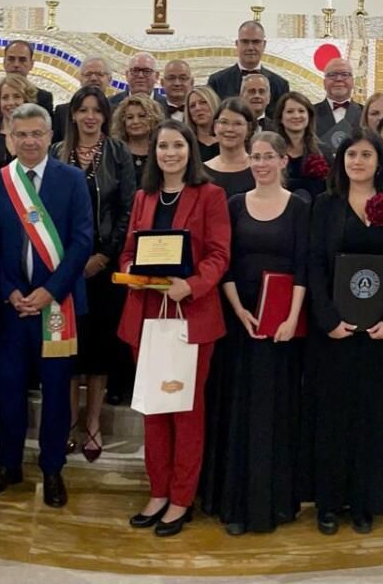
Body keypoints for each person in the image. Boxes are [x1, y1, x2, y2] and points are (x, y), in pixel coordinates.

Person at [0, 103, 93, 507]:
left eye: (36, 134)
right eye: (21, 134)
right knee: (9, 390)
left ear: (49, 136)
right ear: (9, 136)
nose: (28, 141)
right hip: (12, 308)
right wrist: (10, 291)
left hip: (57, 307)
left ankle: (53, 467)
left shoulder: (72, 179)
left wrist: (50, 292)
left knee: (58, 392)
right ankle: (9, 465)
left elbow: (83, 241)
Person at [119, 121, 230, 538]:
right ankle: (158, 492)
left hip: (190, 315)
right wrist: (129, 269)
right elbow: (129, 250)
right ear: (154, 152)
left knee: (185, 411)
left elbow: (219, 254)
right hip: (146, 314)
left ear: (190, 151)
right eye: (163, 145)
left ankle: (182, 497)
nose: (170, 152)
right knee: (153, 409)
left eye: (178, 145)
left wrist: (193, 285)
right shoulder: (143, 196)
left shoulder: (211, 195)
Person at [306, 127, 383, 535]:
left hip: (380, 334)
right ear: (341, 161)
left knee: (372, 418)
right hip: (335, 333)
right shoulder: (325, 205)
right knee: (334, 417)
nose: (358, 162)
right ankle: (330, 502)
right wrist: (329, 319)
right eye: (351, 155)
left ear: (379, 162)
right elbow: (314, 264)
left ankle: (366, 500)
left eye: (367, 155)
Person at [205, 131, 309, 535]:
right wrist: (240, 311)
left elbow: (303, 267)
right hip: (240, 322)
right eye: (256, 157)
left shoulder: (299, 207)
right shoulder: (234, 205)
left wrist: (290, 319)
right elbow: (225, 263)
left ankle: (275, 504)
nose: (261, 163)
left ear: (284, 161)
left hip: (282, 328)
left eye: (269, 156)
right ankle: (237, 503)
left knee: (275, 413)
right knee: (240, 410)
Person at [55, 86, 136, 462]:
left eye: (97, 111)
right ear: (72, 114)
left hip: (104, 268)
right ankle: (69, 420)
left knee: (99, 350)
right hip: (64, 267)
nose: (90, 117)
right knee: (70, 347)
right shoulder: (58, 152)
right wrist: (69, 261)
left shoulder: (118, 153)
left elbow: (127, 209)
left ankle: (93, 424)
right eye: (83, 110)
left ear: (106, 116)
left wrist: (104, 255)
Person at [207, 20, 290, 102]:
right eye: (245, 42)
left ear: (264, 45)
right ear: (237, 44)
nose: (250, 47)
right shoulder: (217, 81)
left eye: (256, 42)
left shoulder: (280, 85)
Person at [274, 91, 327, 199]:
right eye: (290, 111)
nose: (296, 116)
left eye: (301, 111)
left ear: (309, 116)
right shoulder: (272, 151)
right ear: (281, 118)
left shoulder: (323, 151)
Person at [204, 99, 257, 199]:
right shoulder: (201, 172)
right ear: (215, 126)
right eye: (224, 122)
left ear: (249, 128)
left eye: (237, 123)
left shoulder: (259, 168)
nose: (230, 129)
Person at [52, 57, 113, 142]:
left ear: (109, 79)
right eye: (88, 74)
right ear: (80, 78)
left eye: (100, 74)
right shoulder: (62, 111)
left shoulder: (118, 110)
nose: (94, 78)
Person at [314, 58, 362, 158]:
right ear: (324, 83)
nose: (339, 79)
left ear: (352, 81)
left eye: (344, 74)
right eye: (332, 75)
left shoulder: (366, 112)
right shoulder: (309, 113)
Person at [112, 93, 163, 180]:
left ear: (154, 119)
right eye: (130, 117)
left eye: (142, 116)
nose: (135, 121)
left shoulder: (161, 151)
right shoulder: (115, 152)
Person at [185, 86, 221, 160]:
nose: (198, 108)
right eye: (192, 106)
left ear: (213, 103)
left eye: (203, 102)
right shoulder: (187, 144)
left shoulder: (228, 140)